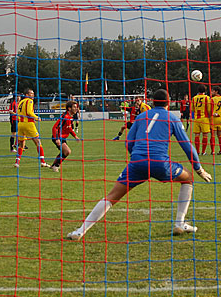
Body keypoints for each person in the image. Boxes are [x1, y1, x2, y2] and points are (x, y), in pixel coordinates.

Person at [66, 89, 212, 241]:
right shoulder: (171, 118)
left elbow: (129, 142)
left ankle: (80, 231)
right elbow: (187, 146)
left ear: (152, 102)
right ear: (168, 103)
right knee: (188, 178)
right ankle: (180, 223)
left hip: (137, 162)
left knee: (112, 196)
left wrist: (136, 156)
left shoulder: (142, 116)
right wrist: (199, 169)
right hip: (160, 164)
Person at [14, 88, 49, 168]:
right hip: (28, 124)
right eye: (31, 94)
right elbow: (29, 112)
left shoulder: (20, 102)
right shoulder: (29, 101)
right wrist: (36, 117)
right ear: (27, 95)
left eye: (33, 93)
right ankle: (43, 162)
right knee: (38, 142)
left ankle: (17, 163)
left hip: (20, 124)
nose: (33, 95)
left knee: (21, 145)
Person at [50, 101, 80, 173]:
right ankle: (56, 166)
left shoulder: (70, 117)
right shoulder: (64, 117)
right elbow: (55, 127)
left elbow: (69, 128)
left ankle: (54, 165)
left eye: (77, 107)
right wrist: (57, 139)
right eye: (74, 107)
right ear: (69, 108)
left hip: (62, 137)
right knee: (67, 151)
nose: (76, 109)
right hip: (58, 137)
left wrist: (75, 136)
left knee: (64, 152)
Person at [191, 84, 212, 155]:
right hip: (204, 119)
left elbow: (192, 109)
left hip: (197, 118)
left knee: (197, 135)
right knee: (205, 135)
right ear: (205, 90)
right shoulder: (207, 98)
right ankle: (203, 151)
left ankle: (197, 151)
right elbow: (209, 109)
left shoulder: (194, 98)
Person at [209, 86, 221, 155]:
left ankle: (213, 151)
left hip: (214, 118)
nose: (211, 92)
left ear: (216, 92)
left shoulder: (212, 99)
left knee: (213, 135)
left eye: (212, 91)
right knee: (220, 135)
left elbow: (210, 109)